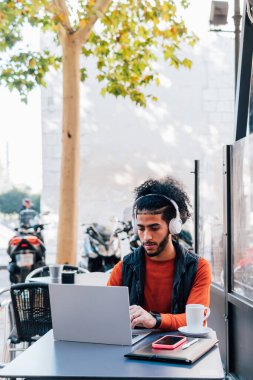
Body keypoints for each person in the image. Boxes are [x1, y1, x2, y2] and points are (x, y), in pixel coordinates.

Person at [107, 176, 211, 331]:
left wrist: (155, 320)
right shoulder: (124, 267)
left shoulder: (198, 267)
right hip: (133, 348)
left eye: (154, 228)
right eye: (141, 228)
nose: (146, 236)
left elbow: (196, 321)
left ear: (173, 227)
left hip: (181, 347)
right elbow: (106, 315)